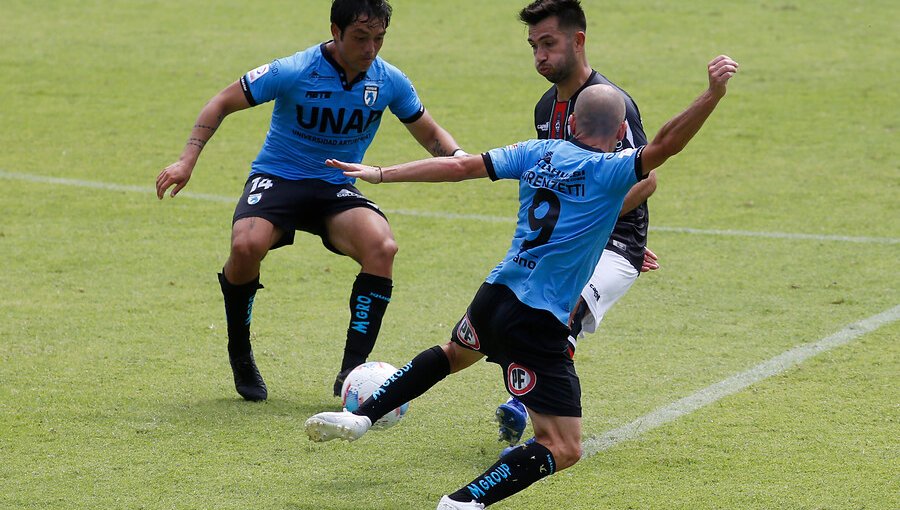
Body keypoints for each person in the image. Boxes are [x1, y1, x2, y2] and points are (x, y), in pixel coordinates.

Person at [304, 55, 739, 509]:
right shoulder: (612, 170)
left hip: (496, 295)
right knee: (563, 445)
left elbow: (459, 167)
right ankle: (463, 502)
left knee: (454, 354)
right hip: (540, 319)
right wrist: (712, 95)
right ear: (617, 134)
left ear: (570, 120)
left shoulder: (535, 152)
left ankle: (362, 416)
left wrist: (378, 173)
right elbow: (667, 144)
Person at [155, 0, 464, 401]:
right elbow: (221, 102)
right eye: (360, 38)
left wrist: (460, 159)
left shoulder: (389, 81)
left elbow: (429, 133)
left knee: (382, 247)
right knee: (245, 245)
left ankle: (353, 371)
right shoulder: (294, 70)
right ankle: (240, 351)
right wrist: (186, 160)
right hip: (278, 177)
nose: (371, 49)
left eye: (379, 38)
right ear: (335, 30)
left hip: (335, 187)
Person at [495, 0, 661, 447]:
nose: (540, 57)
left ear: (578, 40)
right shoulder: (545, 108)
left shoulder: (612, 104)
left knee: (567, 313)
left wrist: (596, 229)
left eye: (548, 44)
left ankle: (523, 406)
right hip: (566, 242)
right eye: (533, 47)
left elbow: (646, 182)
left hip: (616, 241)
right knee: (511, 311)